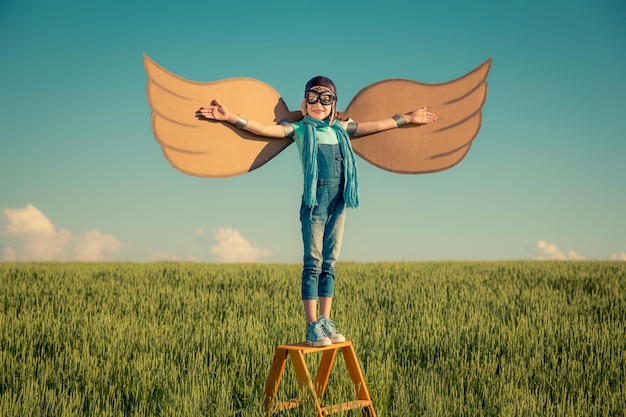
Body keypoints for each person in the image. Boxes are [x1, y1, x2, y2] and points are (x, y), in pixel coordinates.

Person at [196, 76, 438, 347]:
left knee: (330, 264)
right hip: (315, 204)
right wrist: (230, 117)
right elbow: (263, 129)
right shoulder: (299, 129)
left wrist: (409, 117)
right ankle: (312, 326)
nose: (318, 104)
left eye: (326, 98)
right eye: (313, 97)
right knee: (313, 264)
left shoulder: (342, 129)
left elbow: (378, 125)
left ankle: (325, 321)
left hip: (339, 202)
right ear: (305, 101)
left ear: (334, 103)